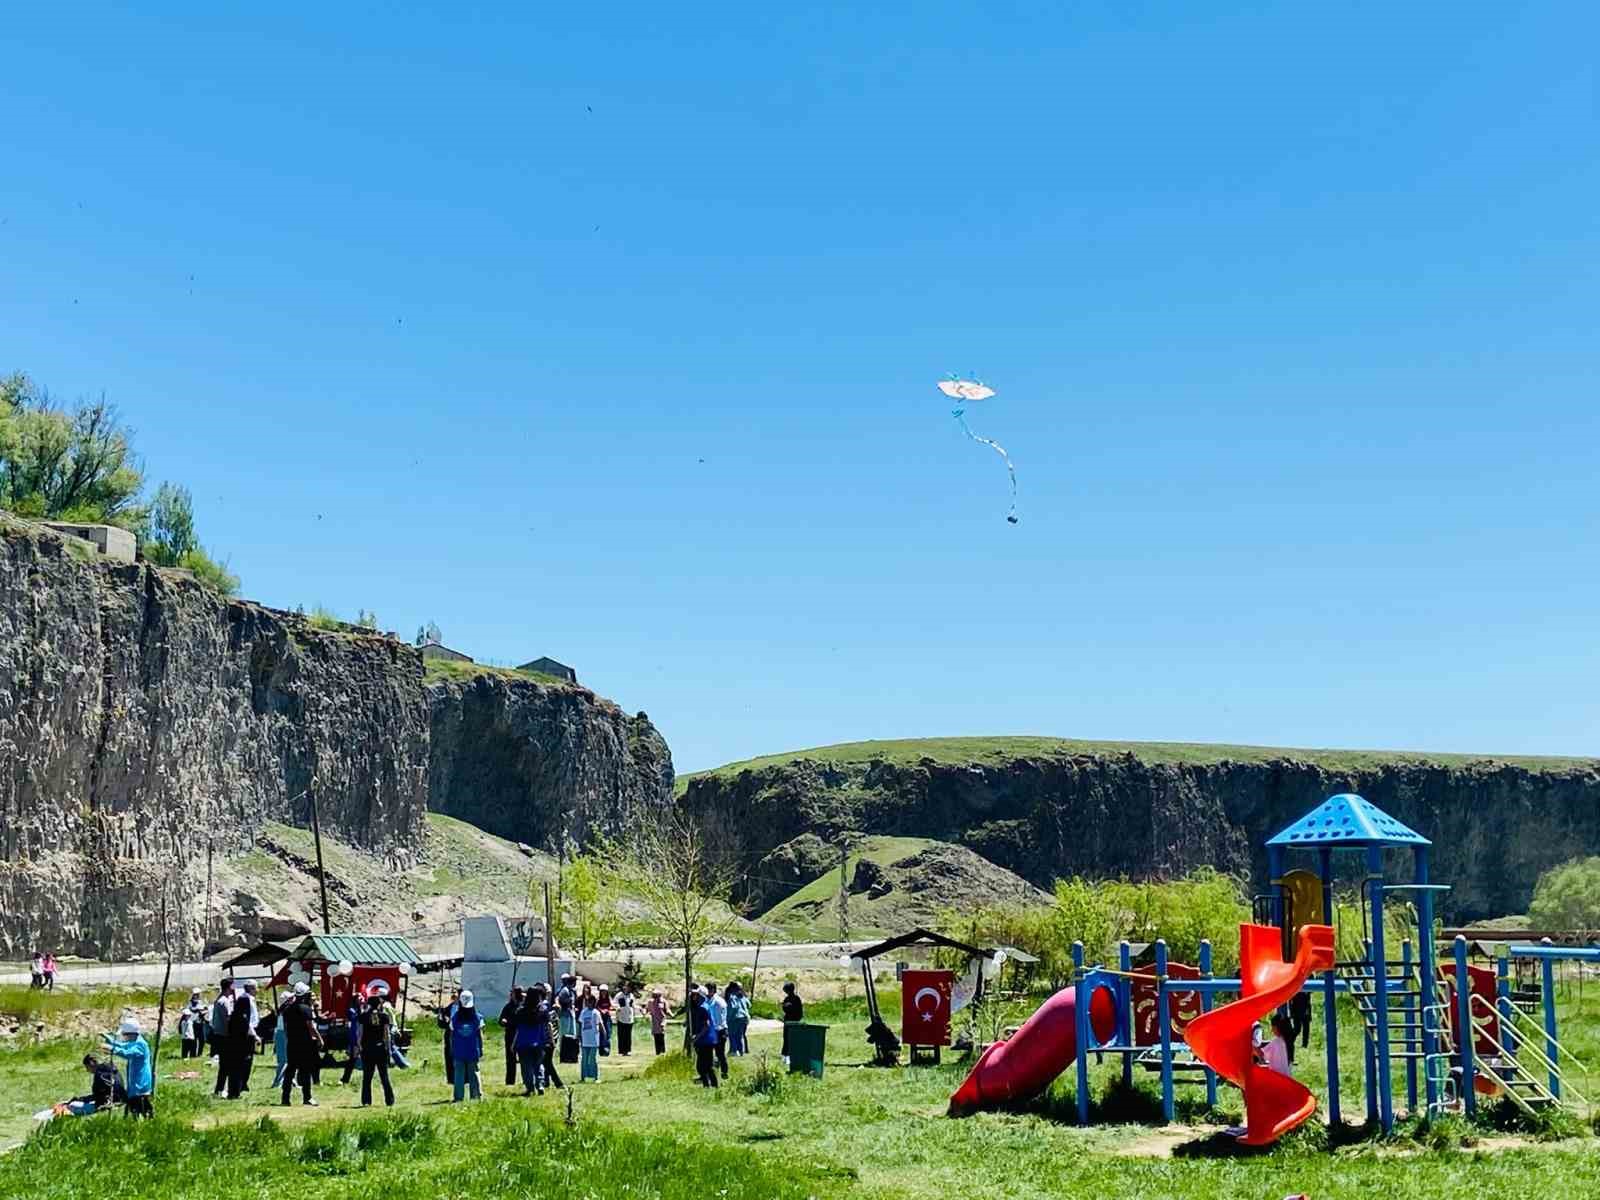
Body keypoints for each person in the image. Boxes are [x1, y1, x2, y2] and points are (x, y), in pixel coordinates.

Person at [280, 981, 324, 1106]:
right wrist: (319, 1038)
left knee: (290, 1070)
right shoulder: (305, 1009)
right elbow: (310, 1026)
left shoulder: (288, 1009)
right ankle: (307, 1097)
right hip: (305, 1043)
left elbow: (286, 1027)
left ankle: (285, 1098)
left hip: (292, 1043)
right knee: (305, 1070)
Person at [103, 1017, 153, 1117]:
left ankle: (143, 1121)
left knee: (140, 1108)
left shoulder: (140, 1045)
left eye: (124, 1035)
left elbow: (127, 1053)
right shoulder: (135, 1042)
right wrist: (111, 1041)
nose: (124, 1037)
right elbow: (124, 1046)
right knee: (135, 1107)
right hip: (136, 1082)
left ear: (130, 1034)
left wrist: (112, 1049)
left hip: (140, 1083)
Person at [358, 982, 396, 1107]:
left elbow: (360, 1033)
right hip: (380, 1047)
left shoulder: (363, 1016)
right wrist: (389, 1049)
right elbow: (386, 1034)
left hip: (367, 1048)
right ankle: (389, 1100)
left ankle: (366, 1100)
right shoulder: (384, 1016)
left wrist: (359, 1046)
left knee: (367, 1076)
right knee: (384, 1076)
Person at [514, 983, 550, 1095]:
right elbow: (546, 1025)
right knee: (538, 1065)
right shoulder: (543, 1011)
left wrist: (513, 1044)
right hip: (539, 1041)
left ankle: (530, 1087)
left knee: (526, 1067)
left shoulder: (520, 1011)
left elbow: (518, 1029)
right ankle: (540, 1084)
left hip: (524, 1042)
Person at [450, 990, 485, 1102]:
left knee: (458, 1075)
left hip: (459, 1050)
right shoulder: (477, 1017)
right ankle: (476, 1096)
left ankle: (458, 1097)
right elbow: (480, 1035)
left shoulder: (455, 1018)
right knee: (474, 1073)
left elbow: (451, 1035)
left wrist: (452, 1049)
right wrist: (481, 1048)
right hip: (473, 1050)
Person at [226, 979, 258, 1098]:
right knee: (242, 1063)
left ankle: (241, 1086)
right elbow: (246, 1020)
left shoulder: (248, 999)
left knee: (246, 1062)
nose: (257, 990)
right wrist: (254, 1034)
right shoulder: (244, 1000)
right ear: (250, 988)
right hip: (245, 1035)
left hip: (247, 1033)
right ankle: (236, 1089)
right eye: (255, 988)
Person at [210, 980, 236, 1097]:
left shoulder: (218, 1000)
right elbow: (229, 1018)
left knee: (224, 1064)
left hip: (218, 1034)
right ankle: (220, 1089)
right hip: (225, 1036)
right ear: (229, 987)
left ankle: (220, 1089)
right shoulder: (224, 1001)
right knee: (226, 1064)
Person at [690, 991, 718, 1088]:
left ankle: (711, 1085)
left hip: (705, 1041)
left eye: (696, 995)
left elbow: (706, 1026)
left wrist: (696, 1037)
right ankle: (710, 1085)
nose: (693, 997)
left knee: (703, 1066)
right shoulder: (703, 1006)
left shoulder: (703, 1008)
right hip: (706, 1040)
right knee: (705, 1066)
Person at [499, 987, 524, 1087]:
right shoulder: (508, 1007)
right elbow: (501, 1019)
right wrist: (503, 1021)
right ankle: (510, 1081)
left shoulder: (523, 1006)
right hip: (510, 1034)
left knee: (524, 1058)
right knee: (510, 1059)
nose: (511, 995)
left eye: (512, 993)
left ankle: (526, 1079)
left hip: (521, 1034)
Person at [436, 988, 461, 1085]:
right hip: (450, 1034)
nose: (454, 996)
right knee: (449, 1056)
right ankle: (451, 1078)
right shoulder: (448, 1008)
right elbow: (442, 1024)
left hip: (460, 1034)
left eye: (456, 994)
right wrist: (440, 1016)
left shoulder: (465, 1009)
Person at [705, 983, 729, 1079]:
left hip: (719, 1030)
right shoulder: (707, 1001)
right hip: (711, 1030)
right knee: (708, 1053)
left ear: (713, 990)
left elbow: (718, 1019)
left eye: (709, 990)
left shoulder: (718, 1002)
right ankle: (710, 1072)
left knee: (720, 1053)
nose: (707, 992)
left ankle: (724, 1072)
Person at [269, 994, 292, 1087]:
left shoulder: (282, 1010)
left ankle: (290, 1081)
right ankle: (277, 1082)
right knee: (284, 1061)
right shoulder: (285, 1010)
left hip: (281, 1033)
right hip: (283, 1034)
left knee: (288, 1060)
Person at [578, 993, 601, 1082]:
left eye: (590, 1002)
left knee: (592, 1059)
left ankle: (596, 1077)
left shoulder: (596, 1012)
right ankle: (583, 1077)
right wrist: (579, 1034)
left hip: (593, 1039)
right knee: (584, 1059)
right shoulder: (583, 1012)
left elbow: (600, 1024)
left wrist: (604, 1035)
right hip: (585, 1039)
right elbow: (580, 1023)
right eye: (587, 1002)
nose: (588, 1003)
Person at [557, 975, 579, 1065]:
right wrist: (569, 1002)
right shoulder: (565, 990)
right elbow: (561, 1001)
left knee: (572, 1034)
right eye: (575, 982)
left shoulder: (571, 991)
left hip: (571, 1014)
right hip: (565, 1014)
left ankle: (570, 1053)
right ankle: (562, 1052)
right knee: (564, 1034)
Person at [726, 981, 750, 1056]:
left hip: (735, 1018)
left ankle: (733, 1051)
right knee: (739, 1036)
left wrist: (728, 1017)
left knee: (732, 1035)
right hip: (744, 1017)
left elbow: (733, 1007)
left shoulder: (732, 996)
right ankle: (740, 1050)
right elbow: (749, 1005)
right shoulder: (742, 996)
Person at [780, 981, 803, 1062]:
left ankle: (790, 1056)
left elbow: (799, 1011)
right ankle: (785, 1055)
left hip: (794, 1022)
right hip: (788, 1022)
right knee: (786, 1038)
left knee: (792, 1039)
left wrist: (789, 1007)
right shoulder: (787, 999)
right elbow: (784, 1008)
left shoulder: (796, 999)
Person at [646, 989, 672, 1056]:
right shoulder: (650, 1002)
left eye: (656, 995)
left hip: (661, 1020)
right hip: (654, 1021)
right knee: (656, 1035)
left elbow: (667, 1010)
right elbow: (648, 1010)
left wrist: (672, 1014)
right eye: (654, 995)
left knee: (661, 1035)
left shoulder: (663, 1001)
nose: (655, 996)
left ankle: (662, 1051)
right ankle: (658, 1052)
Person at [614, 986, 635, 1056]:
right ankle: (621, 1051)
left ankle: (628, 1050)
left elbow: (633, 1005)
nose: (626, 989)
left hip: (629, 1018)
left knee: (628, 1035)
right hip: (621, 1018)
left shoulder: (631, 995)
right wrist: (617, 1007)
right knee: (621, 1035)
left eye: (628, 988)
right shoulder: (619, 995)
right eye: (625, 988)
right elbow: (614, 1003)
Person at [596, 985, 613, 1056]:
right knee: (601, 1034)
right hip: (601, 1018)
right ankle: (601, 1050)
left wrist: (607, 1010)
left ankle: (607, 1050)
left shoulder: (608, 998)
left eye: (605, 991)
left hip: (607, 1018)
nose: (603, 992)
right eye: (602, 991)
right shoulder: (598, 999)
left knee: (608, 1034)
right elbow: (596, 1006)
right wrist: (601, 1010)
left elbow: (611, 1006)